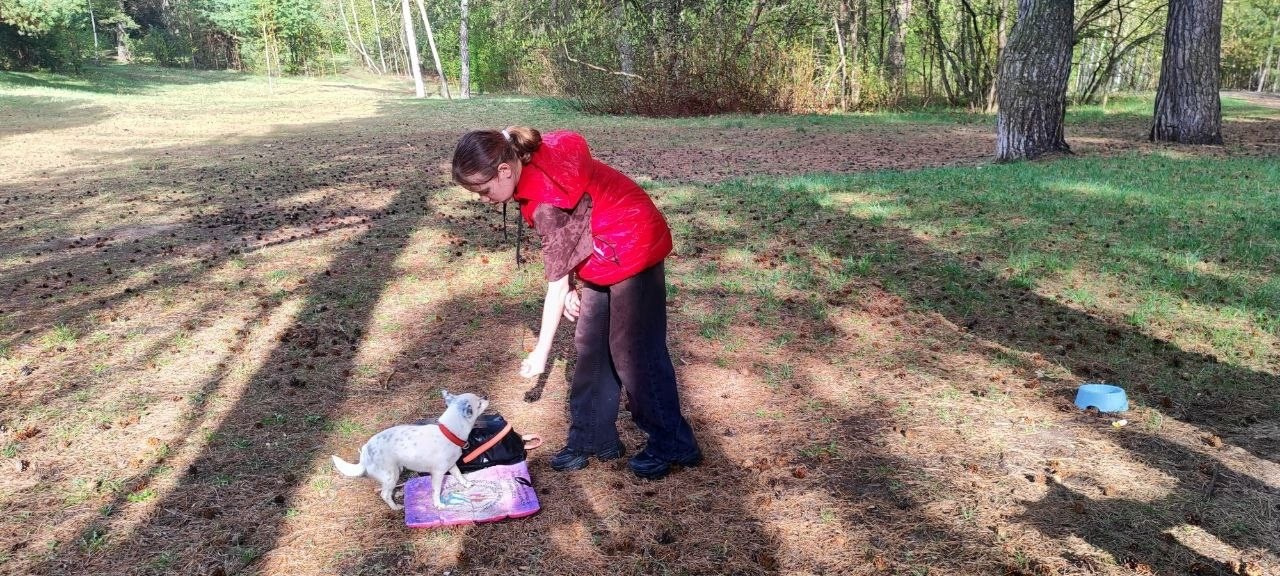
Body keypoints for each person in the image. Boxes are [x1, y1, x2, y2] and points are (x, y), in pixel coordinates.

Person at [451, 126, 701, 480]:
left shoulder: (547, 201)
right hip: (603, 251)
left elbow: (555, 281)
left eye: (484, 189)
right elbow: (573, 236)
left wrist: (541, 352)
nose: (483, 198)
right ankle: (593, 438)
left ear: (505, 170)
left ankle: (675, 444)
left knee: (635, 353)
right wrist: (572, 280)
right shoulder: (522, 154)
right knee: (591, 345)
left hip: (633, 245)